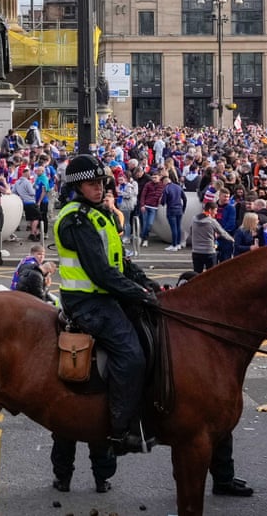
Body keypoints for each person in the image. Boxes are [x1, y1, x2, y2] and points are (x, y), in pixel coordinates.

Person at [54, 154, 160, 454]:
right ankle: (120, 430)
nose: (99, 188)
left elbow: (121, 263)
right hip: (87, 302)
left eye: (102, 183)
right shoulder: (75, 220)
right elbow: (101, 272)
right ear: (77, 188)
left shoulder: (101, 215)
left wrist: (148, 284)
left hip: (106, 295)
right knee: (131, 355)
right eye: (92, 184)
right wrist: (139, 294)